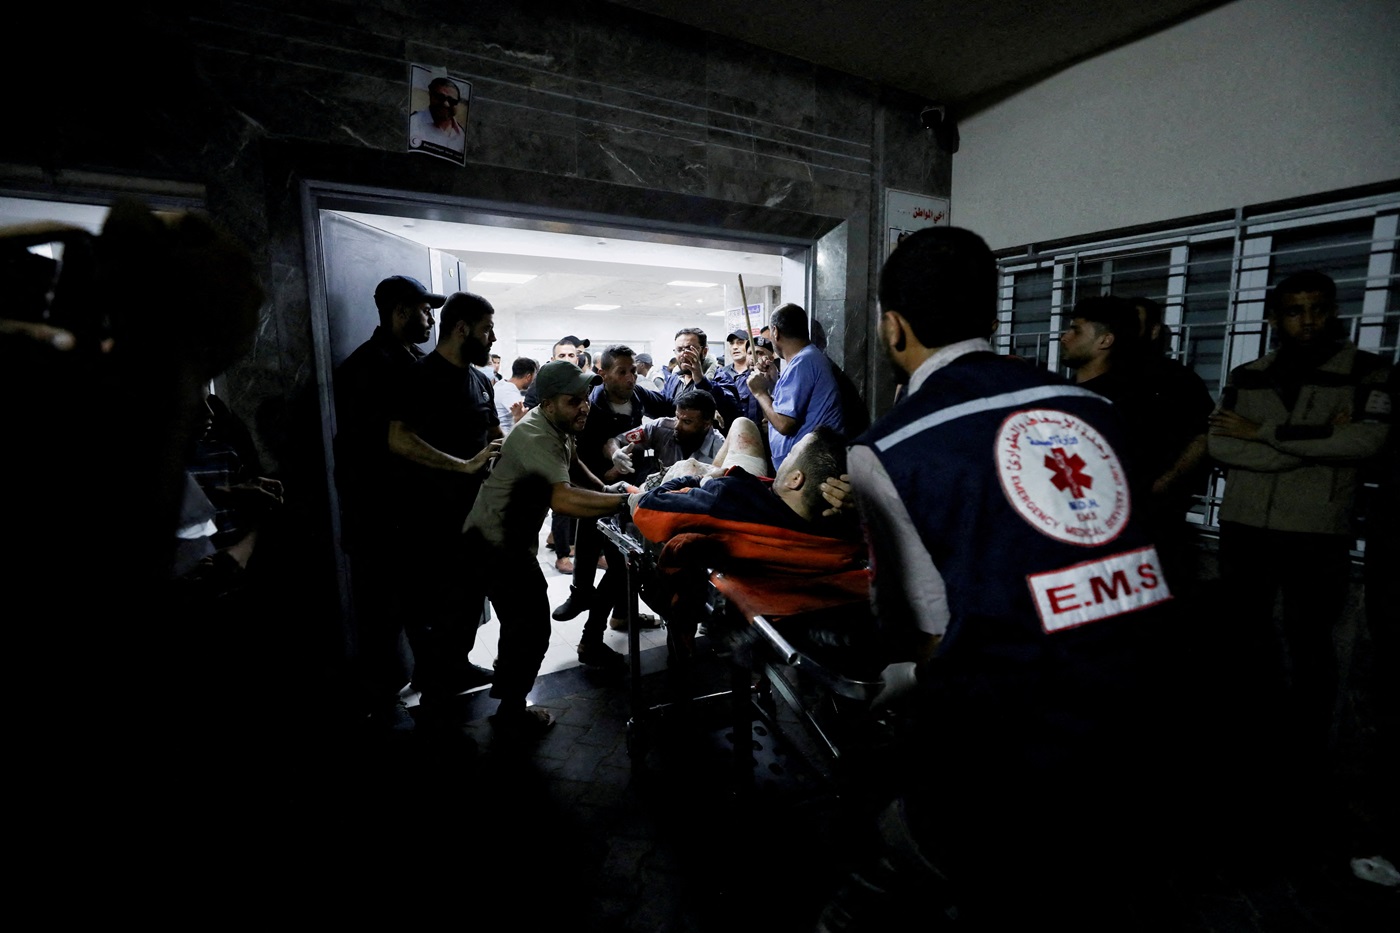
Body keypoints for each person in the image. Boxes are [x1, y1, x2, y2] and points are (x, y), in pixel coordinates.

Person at [841, 226, 1178, 927]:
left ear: (893, 327)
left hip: (1013, 752)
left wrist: (906, 683)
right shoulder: (1095, 408)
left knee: (917, 857)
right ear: (991, 319)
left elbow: (925, 636)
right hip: (1143, 719)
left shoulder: (893, 445)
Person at [1207, 270, 1390, 827]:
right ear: (1274, 317)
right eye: (1294, 310)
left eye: (1317, 308)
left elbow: (1366, 441)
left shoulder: (1366, 371)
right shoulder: (1248, 374)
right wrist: (1315, 444)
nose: (1307, 320)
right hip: (1245, 527)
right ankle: (1248, 752)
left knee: (1311, 647)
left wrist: (1261, 434)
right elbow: (1218, 443)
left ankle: (1306, 763)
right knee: (1245, 640)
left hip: (1316, 532)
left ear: (1333, 311)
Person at [463, 360, 634, 737]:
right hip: (492, 542)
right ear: (549, 402)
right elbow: (564, 500)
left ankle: (504, 696)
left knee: (519, 624)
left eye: (585, 398)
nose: (584, 407)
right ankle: (509, 712)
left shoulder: (559, 425)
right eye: (574, 401)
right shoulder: (537, 435)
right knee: (531, 625)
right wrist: (625, 504)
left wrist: (606, 491)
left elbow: (572, 466)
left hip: (505, 539)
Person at [332, 274, 443, 727]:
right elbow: (385, 444)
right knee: (381, 613)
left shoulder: (409, 359)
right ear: (400, 312)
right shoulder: (369, 367)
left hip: (412, 512)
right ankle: (382, 698)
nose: (430, 318)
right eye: (424, 310)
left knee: (421, 605)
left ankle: (433, 675)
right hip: (380, 514)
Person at [386, 291, 504, 705]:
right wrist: (463, 465)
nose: (493, 337)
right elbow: (398, 438)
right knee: (432, 604)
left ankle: (457, 664)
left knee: (469, 598)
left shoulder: (480, 379)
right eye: (487, 328)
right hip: (428, 516)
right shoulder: (419, 376)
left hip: (475, 514)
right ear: (462, 328)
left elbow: (493, 435)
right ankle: (434, 687)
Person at [746, 303, 844, 470]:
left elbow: (784, 424)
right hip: (803, 465)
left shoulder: (804, 361)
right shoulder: (807, 359)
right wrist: (773, 382)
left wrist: (760, 392)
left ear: (775, 332)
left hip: (808, 467)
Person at [661, 327, 742, 428]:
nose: (684, 354)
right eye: (679, 350)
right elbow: (662, 407)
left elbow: (731, 411)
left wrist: (700, 380)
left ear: (704, 352)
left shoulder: (719, 376)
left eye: (690, 349)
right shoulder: (674, 379)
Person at [408, 77, 466, 152]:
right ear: (430, 95)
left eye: (452, 101)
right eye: (440, 97)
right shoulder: (413, 123)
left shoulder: (461, 135)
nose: (446, 104)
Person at [493, 357, 536, 437]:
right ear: (528, 377)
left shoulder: (501, 384)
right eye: (534, 376)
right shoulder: (509, 391)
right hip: (505, 438)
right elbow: (523, 417)